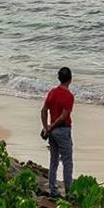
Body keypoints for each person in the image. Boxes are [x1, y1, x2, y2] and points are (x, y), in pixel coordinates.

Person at [40, 66, 74, 198]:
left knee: (53, 160)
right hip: (63, 130)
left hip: (52, 131)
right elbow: (64, 116)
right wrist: (51, 126)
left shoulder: (52, 92)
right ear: (70, 79)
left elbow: (43, 111)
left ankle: (53, 190)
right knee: (67, 162)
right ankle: (69, 192)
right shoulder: (69, 96)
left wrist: (46, 127)